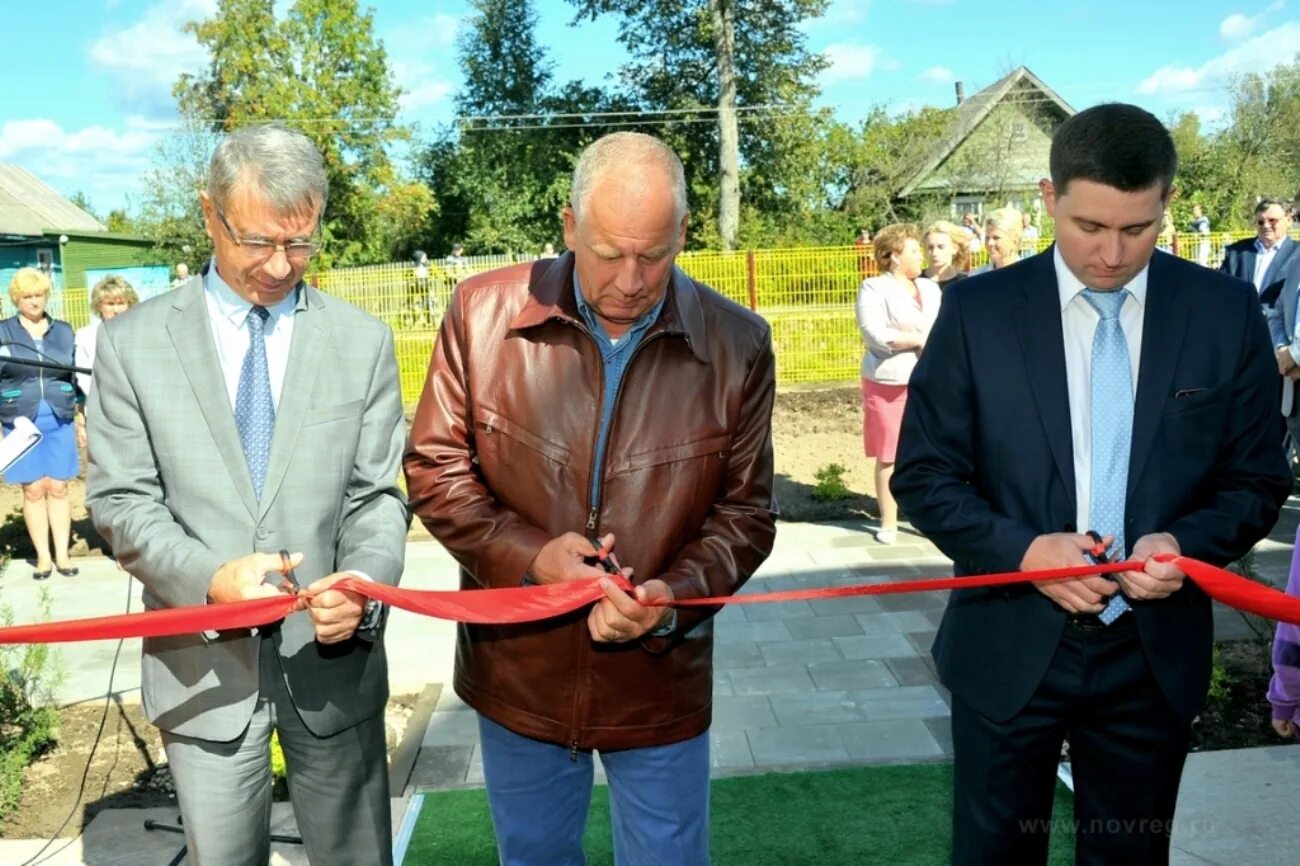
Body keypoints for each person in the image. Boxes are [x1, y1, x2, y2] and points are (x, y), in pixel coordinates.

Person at [892, 103, 1291, 864]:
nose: (1110, 253)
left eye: (1136, 230)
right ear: (1050, 198)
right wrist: (1022, 552)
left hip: (1151, 657)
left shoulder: (1222, 312)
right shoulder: (979, 312)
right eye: (1088, 226)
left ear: (1167, 204)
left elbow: (1257, 478)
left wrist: (1186, 542)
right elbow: (925, 473)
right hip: (1007, 645)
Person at [404, 131, 776, 865]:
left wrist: (671, 595)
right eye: (609, 253)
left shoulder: (739, 343)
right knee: (534, 855)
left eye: (655, 254)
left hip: (659, 678)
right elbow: (434, 466)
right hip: (520, 671)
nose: (633, 279)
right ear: (570, 227)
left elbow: (746, 514)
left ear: (684, 234)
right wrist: (530, 557)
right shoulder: (481, 314)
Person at [85, 123, 408, 866]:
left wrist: (363, 585)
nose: (278, 266)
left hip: (335, 666)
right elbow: (122, 500)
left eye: (299, 244)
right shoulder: (134, 346)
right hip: (201, 673)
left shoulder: (361, 343)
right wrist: (208, 577)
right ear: (209, 214)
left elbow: (377, 500)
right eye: (257, 241)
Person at [856, 224, 941, 545]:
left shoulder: (931, 288)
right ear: (892, 257)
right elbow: (875, 334)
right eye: (914, 250)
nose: (922, 255)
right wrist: (917, 339)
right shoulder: (873, 288)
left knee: (924, 453)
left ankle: (919, 516)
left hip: (929, 380)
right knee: (889, 452)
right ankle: (889, 522)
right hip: (889, 382)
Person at [0, 268, 81, 580]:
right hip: (19, 420)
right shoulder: (4, 332)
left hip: (59, 416)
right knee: (33, 489)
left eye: (39, 295)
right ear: (16, 300)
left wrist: (81, 417)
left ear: (46, 296)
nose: (34, 301)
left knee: (59, 487)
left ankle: (63, 555)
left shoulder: (63, 331)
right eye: (27, 296)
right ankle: (43, 557)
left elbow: (74, 374)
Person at [73, 274, 139, 406]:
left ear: (130, 304)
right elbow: (83, 376)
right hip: (99, 405)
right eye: (110, 304)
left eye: (121, 303)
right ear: (99, 306)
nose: (116, 310)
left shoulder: (139, 333)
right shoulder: (85, 336)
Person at [1220, 197, 1297, 303]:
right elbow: (1222, 288)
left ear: (1289, 220)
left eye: (1272, 220)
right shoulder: (1237, 252)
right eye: (1260, 222)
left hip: (1279, 318)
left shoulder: (1297, 253)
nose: (1266, 226)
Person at [923, 220, 973, 291]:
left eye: (941, 247)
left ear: (954, 249)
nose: (934, 253)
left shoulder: (965, 282)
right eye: (930, 247)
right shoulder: (915, 281)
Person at [975, 206, 1023, 272]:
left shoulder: (1030, 274)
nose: (990, 243)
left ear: (1015, 240)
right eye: (987, 237)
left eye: (996, 238)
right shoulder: (977, 276)